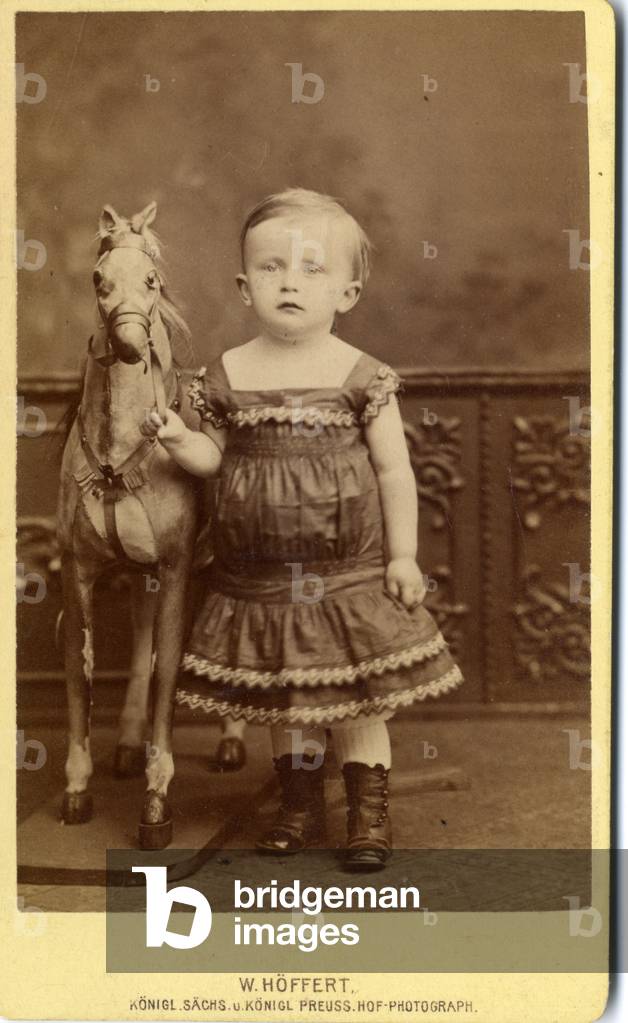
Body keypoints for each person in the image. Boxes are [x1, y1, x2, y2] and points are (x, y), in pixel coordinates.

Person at [143, 188, 463, 870]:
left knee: (356, 703)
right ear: (244, 286)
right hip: (259, 582)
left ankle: (367, 815)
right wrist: (177, 438)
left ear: (347, 293)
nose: (290, 282)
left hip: (346, 577)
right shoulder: (228, 373)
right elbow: (212, 459)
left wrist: (403, 556)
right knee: (285, 700)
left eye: (312, 268)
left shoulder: (359, 375)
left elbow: (394, 470)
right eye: (272, 267)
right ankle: (299, 805)